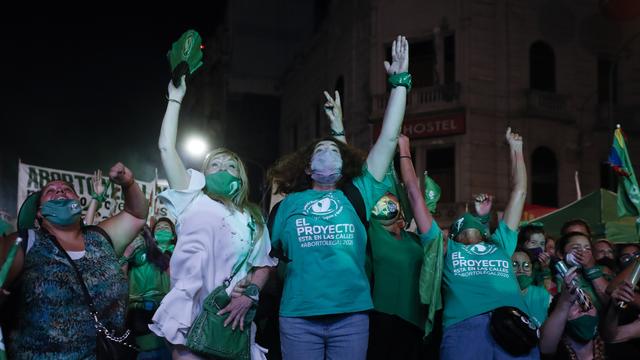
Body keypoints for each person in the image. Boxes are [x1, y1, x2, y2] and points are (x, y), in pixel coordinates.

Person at [267, 35, 410, 360]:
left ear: (344, 163)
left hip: (351, 315)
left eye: (334, 150)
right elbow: (267, 259)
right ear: (308, 167)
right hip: (298, 316)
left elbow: (388, 140)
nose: (328, 153)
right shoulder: (288, 205)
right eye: (321, 150)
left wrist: (399, 84)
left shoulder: (357, 193)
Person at [148, 75, 277, 359]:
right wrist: (175, 98)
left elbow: (264, 265)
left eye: (230, 165)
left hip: (231, 319)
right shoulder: (193, 197)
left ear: (239, 178)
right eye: (213, 164)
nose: (221, 168)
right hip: (191, 314)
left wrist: (250, 294)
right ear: (204, 175)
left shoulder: (253, 218)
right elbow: (166, 148)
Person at [0, 162, 148, 358]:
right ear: (39, 212)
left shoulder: (100, 238)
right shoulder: (24, 243)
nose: (60, 190)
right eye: (50, 191)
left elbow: (136, 215)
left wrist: (128, 184)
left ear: (78, 203)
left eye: (67, 189)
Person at [323, 91, 426, 360]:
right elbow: (352, 184)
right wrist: (338, 130)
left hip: (414, 320)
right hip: (377, 312)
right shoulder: (370, 212)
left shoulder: (414, 236)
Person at [419, 128, 538, 359]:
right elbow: (418, 209)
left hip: (513, 326)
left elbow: (520, 192)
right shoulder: (448, 249)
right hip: (465, 328)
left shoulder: (500, 242)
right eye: (460, 225)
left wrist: (516, 150)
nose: (467, 225)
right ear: (453, 236)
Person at [121, 225, 172, 359]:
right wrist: (126, 255)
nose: (135, 239)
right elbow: (119, 283)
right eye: (131, 235)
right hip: (137, 319)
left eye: (139, 234)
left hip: (162, 317)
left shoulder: (162, 258)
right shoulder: (126, 259)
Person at [540, 267, 606, 359]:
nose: (582, 309)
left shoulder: (613, 351)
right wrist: (566, 302)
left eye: (586, 302)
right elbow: (545, 347)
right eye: (572, 305)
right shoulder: (559, 354)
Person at [511, 249, 552, 326]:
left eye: (526, 265)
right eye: (514, 265)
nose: (521, 270)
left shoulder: (544, 296)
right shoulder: (496, 294)